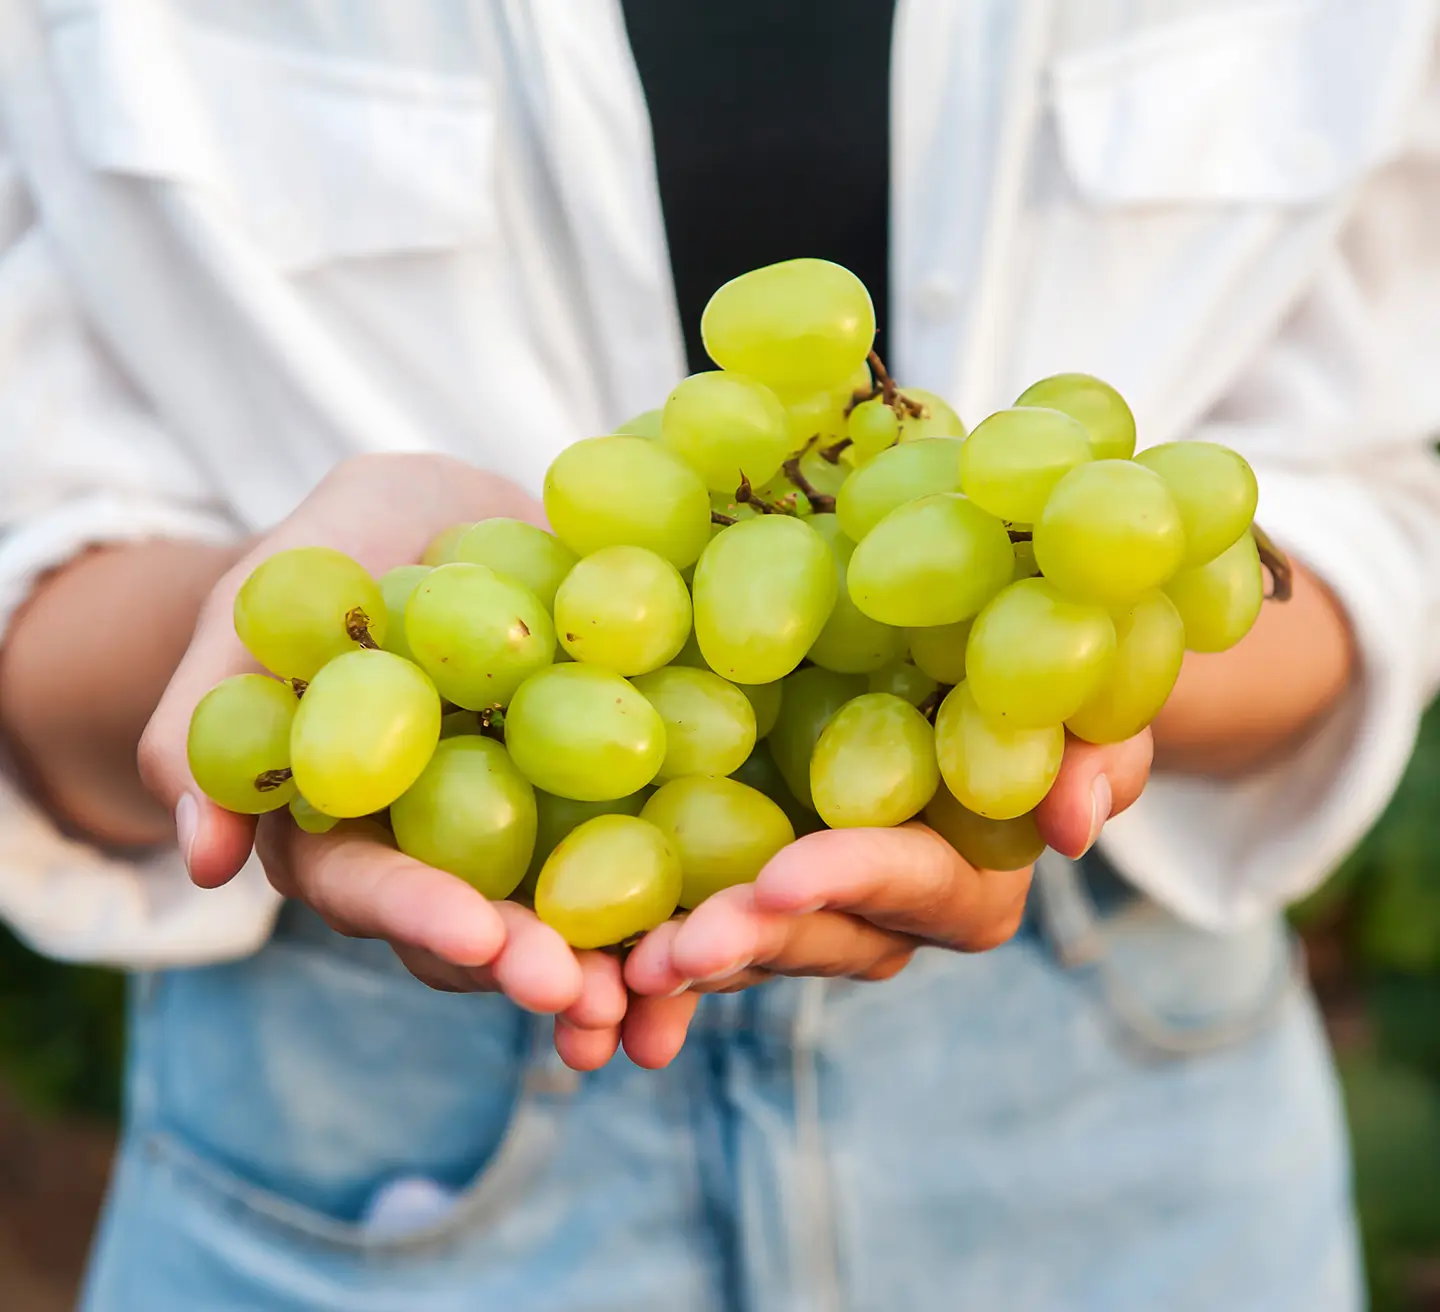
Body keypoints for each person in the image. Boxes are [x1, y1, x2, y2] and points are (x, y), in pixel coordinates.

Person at [0, 2, 1437, 1308]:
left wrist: (1067, 702)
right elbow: (33, 584)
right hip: (353, 1113)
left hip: (1119, 1121)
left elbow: (1371, 516)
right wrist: (244, 643)